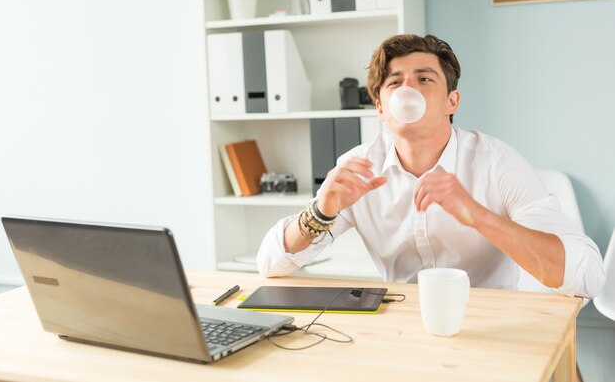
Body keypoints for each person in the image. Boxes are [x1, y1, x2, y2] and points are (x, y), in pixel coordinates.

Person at [257, 34, 604, 299]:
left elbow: (587, 276)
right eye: (394, 83)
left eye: (424, 79)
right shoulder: (359, 168)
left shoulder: (497, 163)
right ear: (381, 107)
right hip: (402, 329)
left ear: (451, 101)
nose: (407, 90)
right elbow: (270, 264)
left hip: (489, 321)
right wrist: (321, 211)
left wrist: (478, 215)